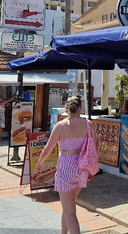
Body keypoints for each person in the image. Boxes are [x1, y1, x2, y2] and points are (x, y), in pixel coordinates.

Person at [37, 96, 96, 234]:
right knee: (68, 206)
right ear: (79, 108)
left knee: (70, 212)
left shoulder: (61, 126)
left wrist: (40, 162)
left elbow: (47, 149)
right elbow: (94, 148)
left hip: (66, 168)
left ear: (67, 109)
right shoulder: (89, 124)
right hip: (82, 168)